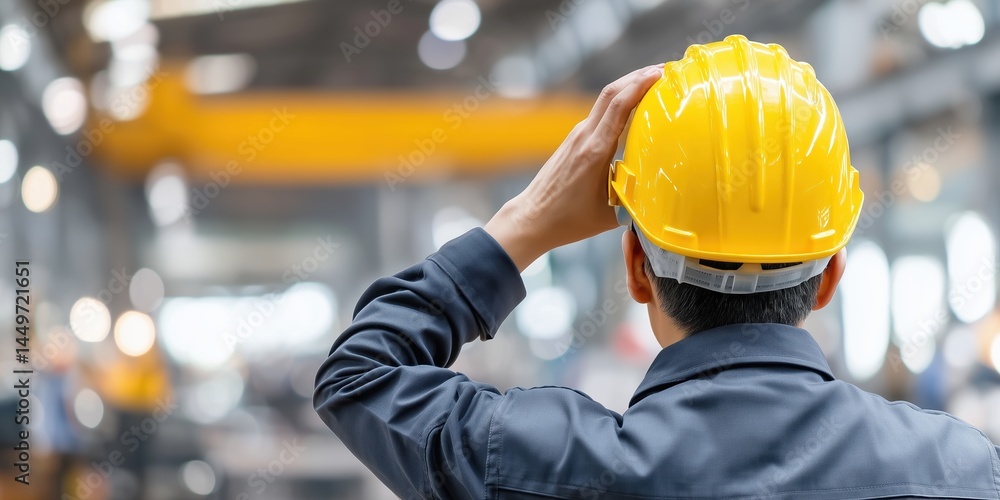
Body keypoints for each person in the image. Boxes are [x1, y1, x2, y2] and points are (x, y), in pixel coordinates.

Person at [314, 35, 1000, 499]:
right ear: (830, 277)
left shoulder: (548, 462)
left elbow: (359, 377)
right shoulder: (959, 470)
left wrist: (522, 227)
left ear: (636, 267)